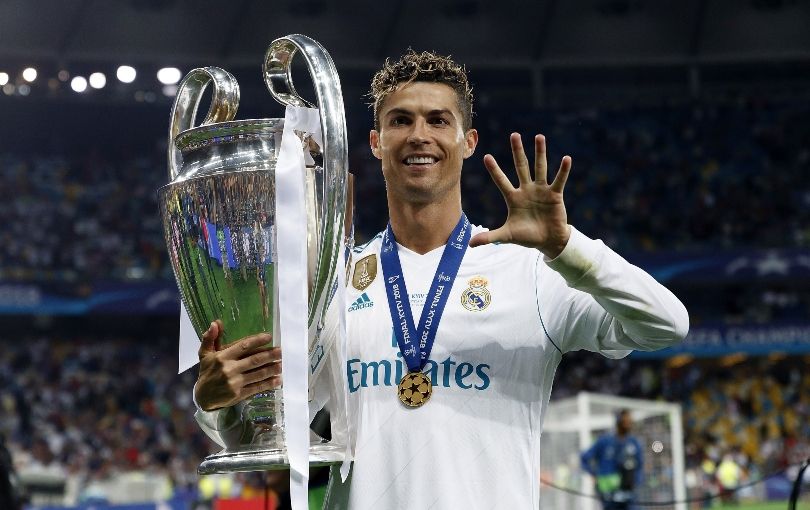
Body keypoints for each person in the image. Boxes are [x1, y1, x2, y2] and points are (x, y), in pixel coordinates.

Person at [193, 50, 689, 509]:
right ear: (375, 142)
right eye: (400, 120)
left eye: (438, 120)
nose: (418, 134)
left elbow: (667, 325)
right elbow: (262, 439)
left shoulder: (531, 271)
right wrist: (220, 403)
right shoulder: (333, 282)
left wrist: (567, 248)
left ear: (467, 141)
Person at [581, 409, 643, 509]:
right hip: (608, 494)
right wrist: (593, 475)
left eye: (630, 421)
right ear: (618, 421)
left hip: (629, 494)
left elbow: (639, 465)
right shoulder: (604, 441)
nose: (629, 423)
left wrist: (635, 483)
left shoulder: (634, 442)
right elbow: (584, 458)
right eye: (626, 421)